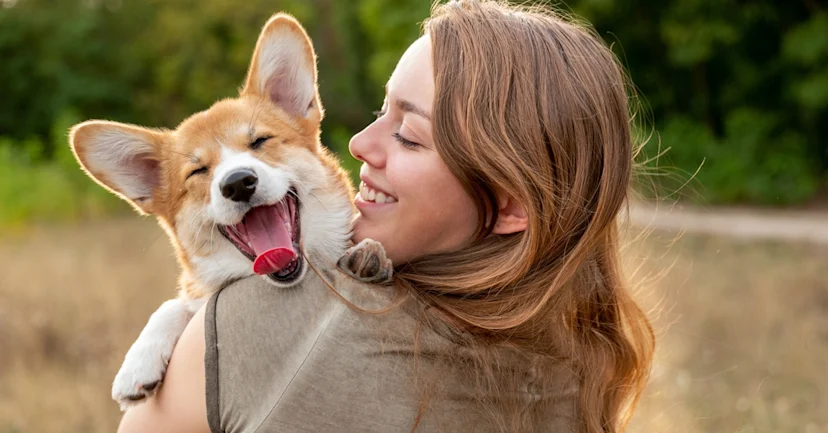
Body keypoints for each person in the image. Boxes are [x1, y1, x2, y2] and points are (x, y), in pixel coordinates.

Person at [117, 1, 654, 432]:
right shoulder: (580, 372)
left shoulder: (261, 322)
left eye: (409, 134)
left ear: (511, 203)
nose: (354, 144)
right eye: (381, 111)